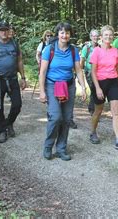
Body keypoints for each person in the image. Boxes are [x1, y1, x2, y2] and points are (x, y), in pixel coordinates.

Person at [38, 22, 87, 161]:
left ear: (70, 35)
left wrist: (83, 87)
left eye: (67, 33)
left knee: (66, 119)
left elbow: (78, 69)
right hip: (52, 85)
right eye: (61, 32)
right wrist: (42, 91)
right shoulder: (49, 49)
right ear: (57, 34)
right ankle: (48, 146)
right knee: (55, 117)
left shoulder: (73, 50)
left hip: (69, 86)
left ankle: (61, 148)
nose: (64, 35)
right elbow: (42, 72)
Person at [0, 21, 27, 143]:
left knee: (17, 105)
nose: (4, 32)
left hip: (13, 79)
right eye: (1, 30)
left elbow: (19, 61)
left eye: (6, 29)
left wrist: (23, 78)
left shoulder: (14, 44)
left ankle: (8, 123)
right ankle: (1, 131)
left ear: (9, 31)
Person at [89, 25, 118, 150]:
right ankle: (93, 132)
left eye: (110, 35)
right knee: (98, 110)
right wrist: (97, 88)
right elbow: (93, 71)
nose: (108, 37)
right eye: (106, 35)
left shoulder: (115, 51)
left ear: (113, 37)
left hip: (113, 82)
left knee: (116, 112)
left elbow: (117, 68)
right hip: (100, 83)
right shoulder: (96, 51)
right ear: (101, 37)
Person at [80, 29, 99, 114]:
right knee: (93, 89)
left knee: (95, 89)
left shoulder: (100, 47)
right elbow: (82, 60)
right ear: (91, 37)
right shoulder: (86, 47)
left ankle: (93, 108)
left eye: (96, 36)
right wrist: (80, 72)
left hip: (98, 72)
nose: (95, 37)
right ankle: (92, 109)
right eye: (93, 36)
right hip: (89, 72)